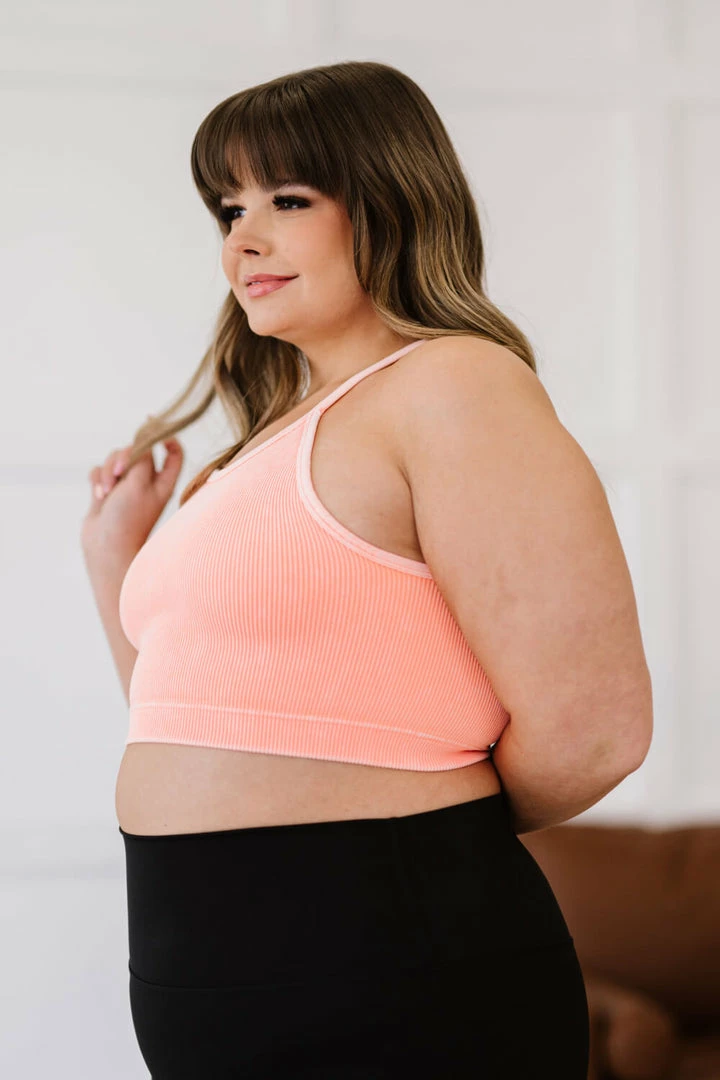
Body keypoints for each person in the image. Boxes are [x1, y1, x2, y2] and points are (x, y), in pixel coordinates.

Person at [81, 60, 653, 1078]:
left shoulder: (455, 385)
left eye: (288, 200)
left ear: (390, 200)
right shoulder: (257, 447)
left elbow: (597, 729)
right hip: (202, 968)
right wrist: (111, 558)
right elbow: (199, 723)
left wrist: (416, 834)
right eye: (229, 208)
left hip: (388, 958)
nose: (242, 240)